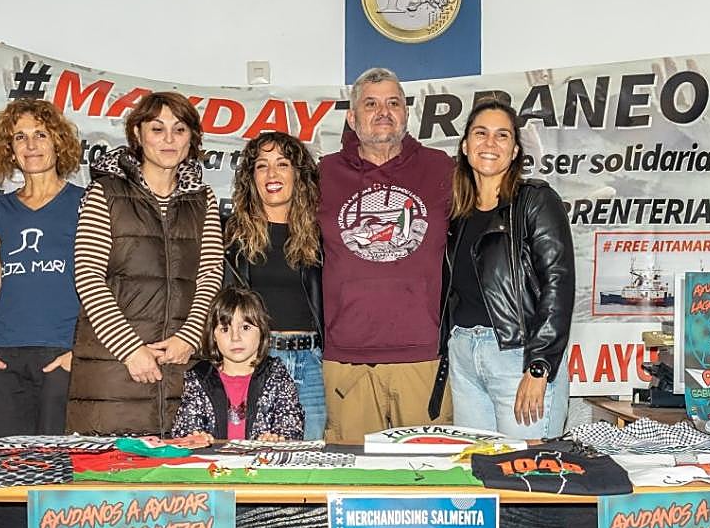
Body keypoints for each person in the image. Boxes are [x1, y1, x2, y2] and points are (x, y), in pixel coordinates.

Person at [66, 91, 223, 435]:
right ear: (138, 134)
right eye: (157, 129)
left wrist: (190, 337)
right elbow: (88, 277)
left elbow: (210, 275)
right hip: (115, 369)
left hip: (184, 365)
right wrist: (130, 350)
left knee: (186, 479)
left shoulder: (204, 199)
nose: (169, 139)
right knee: (113, 480)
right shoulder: (104, 192)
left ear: (192, 139)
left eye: (179, 130)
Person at [318, 66, 453, 443]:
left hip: (423, 357)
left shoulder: (442, 169)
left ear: (406, 112)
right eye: (371, 103)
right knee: (352, 485)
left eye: (393, 103)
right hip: (347, 359)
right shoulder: (322, 174)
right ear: (352, 116)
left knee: (430, 480)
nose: (383, 112)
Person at [434, 100, 575, 438]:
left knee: (526, 474)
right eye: (481, 134)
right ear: (465, 147)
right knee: (477, 470)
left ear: (514, 151)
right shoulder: (456, 213)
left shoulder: (535, 200)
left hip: (517, 355)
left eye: (502, 135)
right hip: (464, 354)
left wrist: (539, 366)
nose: (490, 143)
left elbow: (559, 283)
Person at [0, 99, 84, 439]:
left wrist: (79, 354)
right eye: (20, 137)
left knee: (56, 473)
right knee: (7, 473)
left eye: (41, 135)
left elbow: (101, 286)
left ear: (57, 142)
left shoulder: (87, 203)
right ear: (10, 148)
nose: (31, 145)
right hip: (3, 358)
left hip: (60, 355)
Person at [225, 131, 325, 439]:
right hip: (257, 361)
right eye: (261, 165)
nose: (272, 173)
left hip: (312, 364)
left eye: (282, 164)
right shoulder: (229, 236)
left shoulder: (322, 235)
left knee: (312, 462)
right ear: (250, 177)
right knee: (254, 465)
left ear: (298, 174)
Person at [172, 287, 305, 441]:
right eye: (225, 329)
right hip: (215, 463)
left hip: (261, 462)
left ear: (262, 331)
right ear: (213, 335)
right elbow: (184, 429)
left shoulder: (276, 375)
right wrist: (194, 437)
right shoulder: (199, 377)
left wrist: (278, 439)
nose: (235, 337)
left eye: (246, 327)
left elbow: (292, 429)